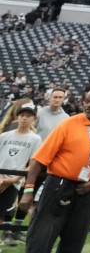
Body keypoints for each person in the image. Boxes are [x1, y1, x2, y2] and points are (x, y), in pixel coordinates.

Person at [21, 89, 90, 253]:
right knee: (41, 236)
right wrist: (28, 190)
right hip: (59, 186)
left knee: (75, 239)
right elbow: (39, 159)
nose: (89, 105)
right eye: (86, 101)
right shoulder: (68, 124)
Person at [0, 104, 41, 244]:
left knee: (1, 215)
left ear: (34, 119)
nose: (24, 118)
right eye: (22, 115)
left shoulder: (35, 139)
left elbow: (32, 164)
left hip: (14, 183)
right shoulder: (5, 136)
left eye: (28, 116)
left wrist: (12, 180)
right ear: (17, 117)